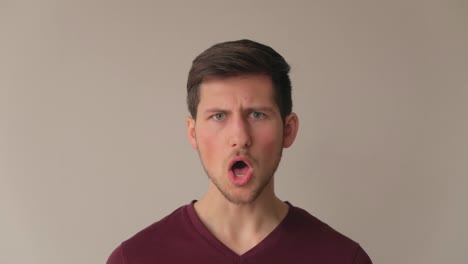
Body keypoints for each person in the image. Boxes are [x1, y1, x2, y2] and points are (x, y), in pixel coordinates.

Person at [106, 39, 372, 263]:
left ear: (288, 130)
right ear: (193, 133)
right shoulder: (135, 259)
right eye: (219, 116)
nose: (240, 137)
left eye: (257, 114)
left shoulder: (342, 258)